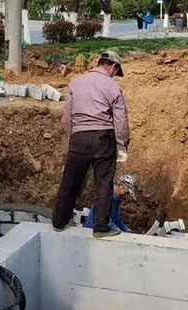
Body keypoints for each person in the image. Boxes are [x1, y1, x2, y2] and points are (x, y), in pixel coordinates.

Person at [53, 50, 130, 238]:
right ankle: (101, 228)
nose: (114, 75)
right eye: (115, 71)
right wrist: (122, 146)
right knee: (103, 182)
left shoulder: (75, 83)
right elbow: (120, 121)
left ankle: (58, 222)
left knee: (70, 181)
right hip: (103, 138)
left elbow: (66, 118)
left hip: (79, 137)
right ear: (112, 66)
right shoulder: (112, 87)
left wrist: (76, 136)